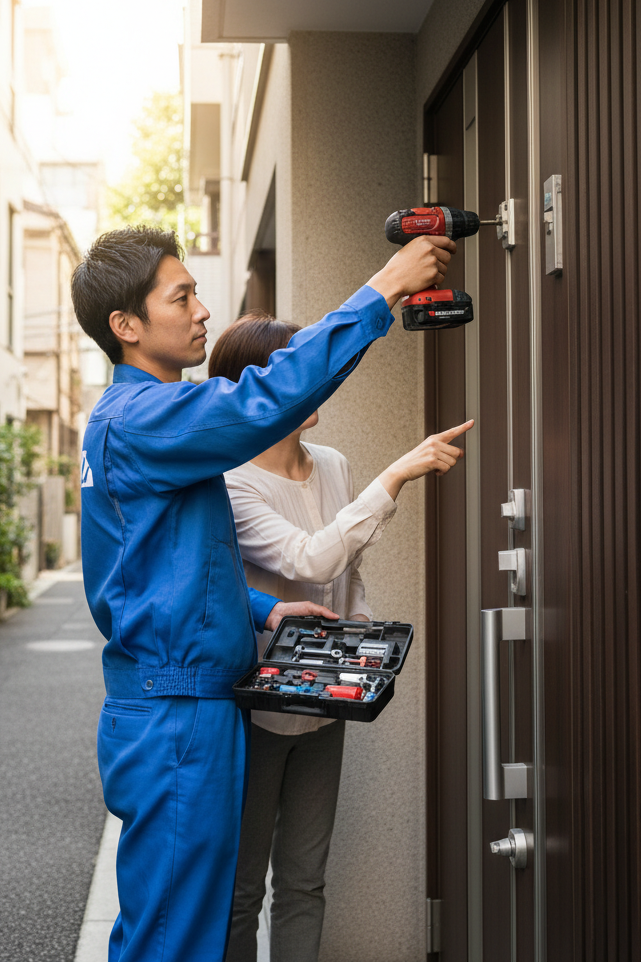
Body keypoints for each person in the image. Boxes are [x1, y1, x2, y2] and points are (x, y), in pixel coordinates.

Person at [70, 226, 456, 962]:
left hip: (183, 703)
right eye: (180, 297)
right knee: (172, 938)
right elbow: (266, 399)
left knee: (190, 921)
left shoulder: (142, 421)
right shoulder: (146, 417)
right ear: (126, 326)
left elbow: (168, 560)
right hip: (176, 711)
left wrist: (264, 609)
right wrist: (384, 288)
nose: (201, 312)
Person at [207, 311, 473, 962]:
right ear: (261, 387)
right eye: (302, 369)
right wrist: (398, 474)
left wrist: (365, 649)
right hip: (259, 707)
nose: (318, 381)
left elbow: (347, 578)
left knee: (304, 880)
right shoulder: (232, 484)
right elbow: (312, 559)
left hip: (327, 703)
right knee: (243, 891)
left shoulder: (332, 463)